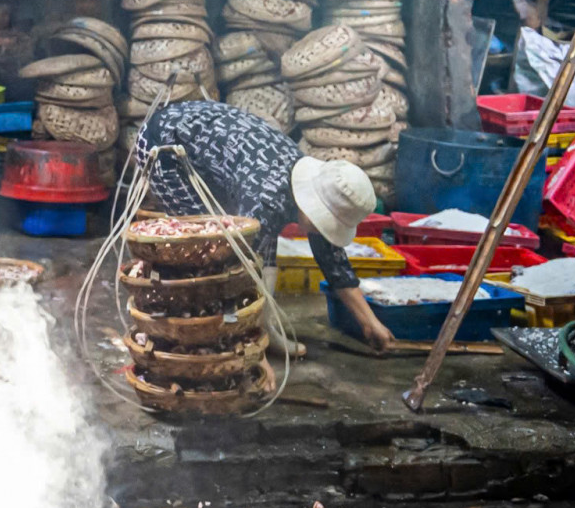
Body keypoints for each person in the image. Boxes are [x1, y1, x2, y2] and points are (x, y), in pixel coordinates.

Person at [132, 99, 393, 352]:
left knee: (256, 246)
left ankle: (262, 328)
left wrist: (370, 323)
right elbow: (236, 268)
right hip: (166, 143)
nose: (321, 230)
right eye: (324, 222)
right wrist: (254, 354)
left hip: (209, 151)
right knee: (206, 247)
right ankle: (203, 334)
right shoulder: (266, 197)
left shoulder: (311, 187)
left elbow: (333, 262)